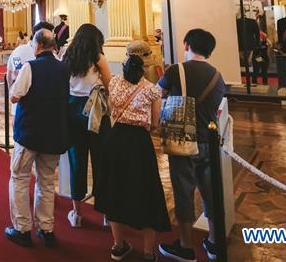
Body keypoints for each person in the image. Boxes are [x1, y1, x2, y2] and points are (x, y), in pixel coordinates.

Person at [95, 42, 170, 261]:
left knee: (115, 188)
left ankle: (118, 245)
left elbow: (111, 108)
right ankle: (148, 252)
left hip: (116, 138)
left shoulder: (114, 82)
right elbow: (154, 122)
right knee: (147, 192)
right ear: (145, 66)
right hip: (139, 143)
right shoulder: (152, 90)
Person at [158, 29, 227, 262]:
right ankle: (215, 242)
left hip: (183, 140)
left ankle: (186, 246)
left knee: (183, 192)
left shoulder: (176, 70)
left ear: (187, 45)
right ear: (210, 51)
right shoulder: (218, 77)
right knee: (211, 192)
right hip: (209, 142)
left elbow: (157, 93)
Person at [5, 29, 69, 249]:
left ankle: (22, 228)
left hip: (30, 133)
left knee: (20, 178)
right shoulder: (64, 68)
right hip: (54, 133)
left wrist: (15, 82)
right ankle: (46, 228)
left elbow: (14, 96)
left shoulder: (30, 67)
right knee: (47, 182)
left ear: (38, 45)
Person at [62, 23, 112, 228]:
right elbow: (109, 85)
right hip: (95, 111)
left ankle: (77, 213)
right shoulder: (98, 57)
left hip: (72, 110)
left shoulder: (67, 56)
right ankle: (106, 214)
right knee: (102, 161)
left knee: (77, 161)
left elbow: (62, 84)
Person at [7, 21, 54, 87]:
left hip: (18, 90)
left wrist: (11, 90)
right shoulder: (51, 57)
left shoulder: (17, 50)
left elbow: (9, 74)